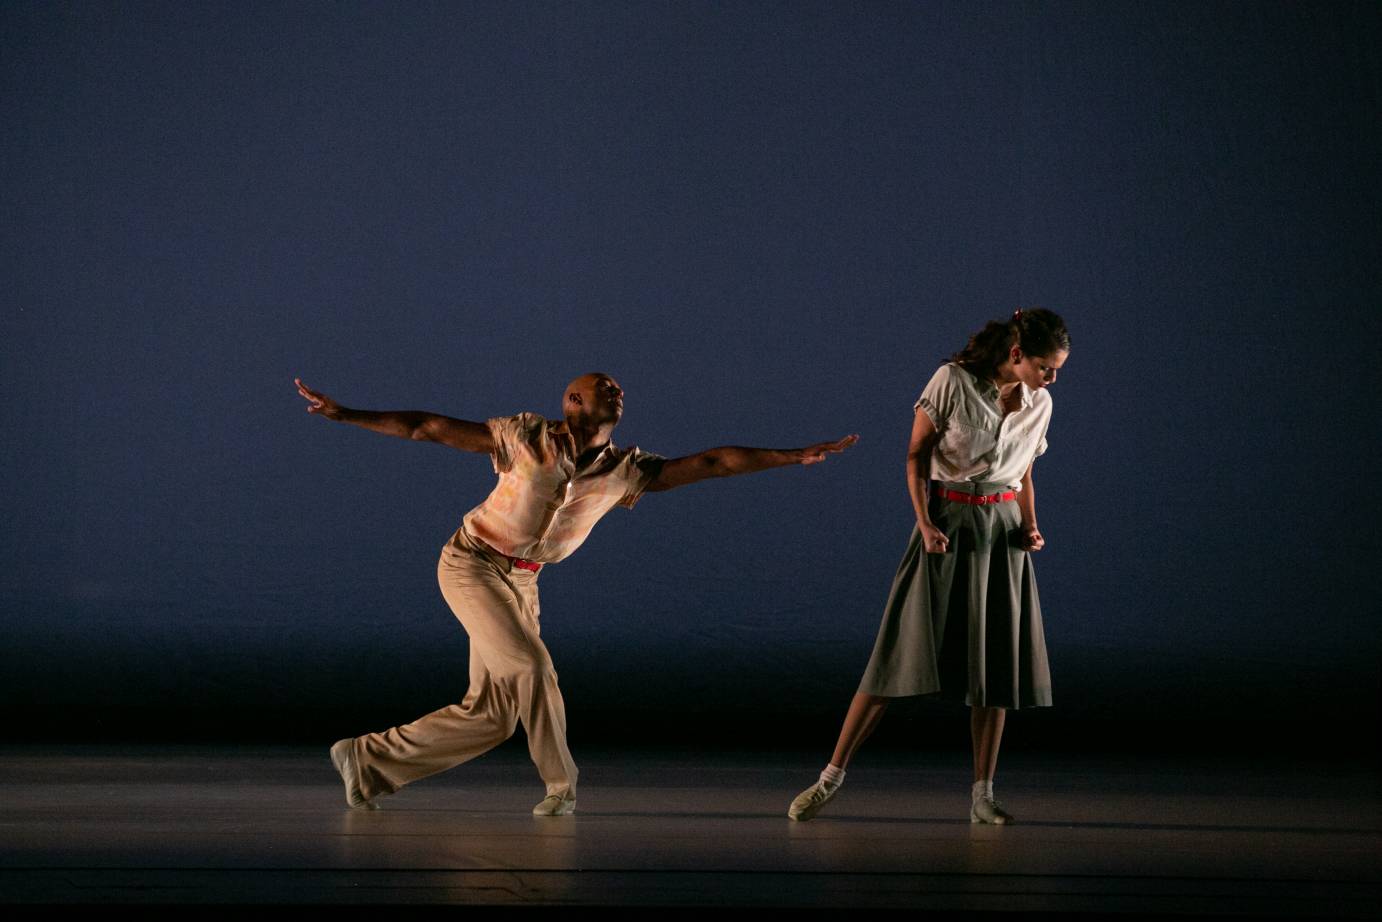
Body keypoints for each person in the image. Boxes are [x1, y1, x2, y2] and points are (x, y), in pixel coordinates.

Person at [295, 372, 857, 816]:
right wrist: (346, 414)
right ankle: (562, 785)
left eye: (619, 390)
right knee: (533, 669)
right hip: (471, 562)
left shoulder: (625, 469)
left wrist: (789, 456)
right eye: (602, 388)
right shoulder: (524, 437)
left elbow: (713, 461)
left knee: (493, 716)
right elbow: (427, 426)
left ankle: (366, 761)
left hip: (524, 579)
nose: (616, 392)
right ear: (572, 402)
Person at [787, 309, 1070, 825]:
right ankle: (830, 778)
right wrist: (925, 523)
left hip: (1001, 533)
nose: (1052, 378)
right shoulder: (952, 381)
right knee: (898, 651)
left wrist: (1030, 525)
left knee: (996, 666)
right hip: (947, 520)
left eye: (1055, 370)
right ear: (1016, 355)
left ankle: (983, 794)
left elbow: (1024, 472)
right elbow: (916, 456)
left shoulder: (1041, 403)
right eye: (1046, 367)